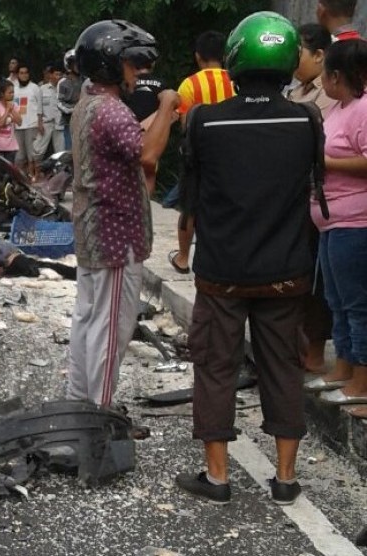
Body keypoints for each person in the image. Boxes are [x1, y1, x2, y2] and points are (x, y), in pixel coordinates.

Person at [174, 12, 317, 506]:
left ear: (236, 59)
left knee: (215, 367)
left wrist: (183, 248)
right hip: (286, 272)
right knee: (284, 367)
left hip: (222, 274)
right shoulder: (306, 119)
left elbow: (190, 196)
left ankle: (217, 479)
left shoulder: (205, 121)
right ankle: (285, 478)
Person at [67, 20, 179, 407]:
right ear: (111, 63)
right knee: (111, 328)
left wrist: (158, 121)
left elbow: (133, 142)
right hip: (116, 236)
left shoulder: (90, 104)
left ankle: (80, 403)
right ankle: (99, 412)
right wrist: (166, 106)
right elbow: (148, 155)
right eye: (133, 65)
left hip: (94, 231)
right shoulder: (112, 111)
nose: (139, 73)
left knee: (88, 320)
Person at [311, 39, 367, 404]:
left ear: (336, 75)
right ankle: (344, 366)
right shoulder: (338, 108)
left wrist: (324, 164)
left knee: (357, 303)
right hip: (331, 223)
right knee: (336, 300)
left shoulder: (363, 109)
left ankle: (361, 381)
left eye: (325, 74)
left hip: (355, 221)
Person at [288, 23, 335, 379]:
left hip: (321, 199)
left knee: (317, 281)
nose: (291, 61)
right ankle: (300, 344)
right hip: (291, 197)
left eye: (298, 53)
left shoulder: (330, 94)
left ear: (319, 55)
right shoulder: (294, 90)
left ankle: (316, 351)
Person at [169, 30, 235, 275]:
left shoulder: (189, 84)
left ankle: (184, 258)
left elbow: (185, 122)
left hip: (197, 155)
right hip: (231, 155)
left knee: (190, 206)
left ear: (198, 57)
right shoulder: (236, 80)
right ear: (226, 55)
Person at [13, 62, 44, 179]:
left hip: (31, 124)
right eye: (21, 73)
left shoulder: (35, 88)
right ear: (17, 75)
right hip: (17, 125)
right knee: (19, 156)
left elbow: (40, 107)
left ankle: (33, 177)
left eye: (26, 73)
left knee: (32, 154)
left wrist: (40, 122)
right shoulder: (13, 88)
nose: (24, 75)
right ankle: (21, 178)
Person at [34, 62, 64, 160]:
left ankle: (60, 171)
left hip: (59, 124)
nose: (58, 77)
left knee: (60, 151)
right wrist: (39, 123)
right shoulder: (42, 89)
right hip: (46, 123)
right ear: (50, 75)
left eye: (60, 74)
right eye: (56, 74)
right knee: (38, 149)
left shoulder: (64, 89)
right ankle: (35, 172)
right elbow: (39, 108)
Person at [0, 79, 21, 161]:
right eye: (10, 93)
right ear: (2, 94)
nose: (12, 95)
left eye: (13, 92)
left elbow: (19, 122)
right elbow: (0, 124)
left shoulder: (15, 106)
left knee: (9, 172)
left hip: (11, 146)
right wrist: (7, 110)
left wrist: (12, 109)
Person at [57, 49, 80, 151]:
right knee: (70, 150)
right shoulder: (63, 82)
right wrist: (73, 109)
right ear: (69, 65)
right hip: (69, 121)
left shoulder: (86, 80)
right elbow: (59, 102)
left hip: (84, 120)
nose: (78, 66)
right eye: (75, 63)